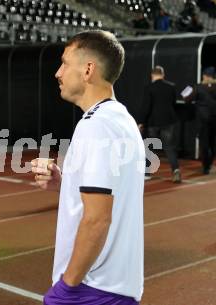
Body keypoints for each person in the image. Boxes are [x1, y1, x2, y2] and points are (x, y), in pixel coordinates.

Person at [31, 30, 145, 305]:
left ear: (88, 69)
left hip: (92, 289)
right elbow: (111, 195)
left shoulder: (97, 125)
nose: (58, 73)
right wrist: (65, 182)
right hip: (113, 287)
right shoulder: (120, 118)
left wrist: (68, 285)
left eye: (65, 63)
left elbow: (97, 219)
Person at [138, 66, 181, 183]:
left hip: (153, 122)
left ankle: (147, 173)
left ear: (152, 75)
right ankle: (176, 169)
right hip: (168, 121)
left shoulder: (149, 88)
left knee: (149, 147)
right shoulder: (171, 87)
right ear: (163, 74)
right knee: (169, 147)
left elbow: (146, 107)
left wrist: (141, 122)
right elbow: (173, 103)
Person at [183, 66, 216, 174]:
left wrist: (190, 87)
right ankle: (209, 162)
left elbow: (186, 98)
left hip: (203, 121)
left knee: (204, 144)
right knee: (213, 144)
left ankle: (206, 166)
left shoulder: (198, 87)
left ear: (205, 76)